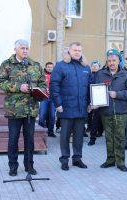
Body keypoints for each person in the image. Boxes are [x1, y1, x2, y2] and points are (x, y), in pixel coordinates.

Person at [0, 39, 47, 176]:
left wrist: (39, 91)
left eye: (27, 48)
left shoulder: (35, 65)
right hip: (14, 110)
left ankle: (29, 166)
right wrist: (19, 87)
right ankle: (13, 166)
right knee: (13, 139)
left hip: (30, 109)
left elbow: (43, 84)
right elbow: (1, 83)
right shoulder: (7, 65)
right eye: (22, 48)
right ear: (16, 50)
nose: (25, 51)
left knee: (29, 140)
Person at [50, 42, 92, 171]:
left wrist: (90, 103)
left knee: (79, 136)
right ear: (69, 51)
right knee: (65, 136)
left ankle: (77, 159)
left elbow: (90, 87)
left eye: (79, 50)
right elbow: (54, 85)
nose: (77, 52)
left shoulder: (85, 67)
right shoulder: (61, 66)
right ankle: (64, 160)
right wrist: (58, 104)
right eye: (75, 50)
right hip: (66, 107)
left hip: (81, 107)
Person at [94, 49, 127, 172]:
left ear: (118, 61)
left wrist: (117, 94)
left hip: (120, 112)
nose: (111, 63)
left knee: (119, 137)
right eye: (109, 60)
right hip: (105, 111)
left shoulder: (126, 75)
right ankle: (110, 160)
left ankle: (121, 162)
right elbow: (95, 90)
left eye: (114, 60)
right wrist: (95, 103)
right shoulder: (100, 74)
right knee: (109, 137)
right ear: (107, 61)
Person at [87, 60, 104, 146]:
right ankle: (92, 139)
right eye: (93, 65)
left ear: (99, 67)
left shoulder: (102, 74)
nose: (94, 67)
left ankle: (100, 132)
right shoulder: (89, 74)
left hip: (101, 100)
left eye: (96, 66)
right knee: (94, 120)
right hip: (91, 99)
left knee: (101, 119)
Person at [38, 62, 56, 137]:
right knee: (42, 115)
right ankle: (40, 132)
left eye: (51, 67)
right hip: (44, 98)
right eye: (48, 67)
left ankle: (50, 132)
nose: (50, 68)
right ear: (45, 67)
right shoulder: (41, 75)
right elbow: (38, 84)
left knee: (52, 116)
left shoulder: (56, 75)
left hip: (53, 98)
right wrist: (44, 89)